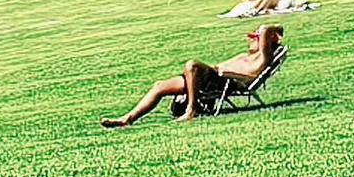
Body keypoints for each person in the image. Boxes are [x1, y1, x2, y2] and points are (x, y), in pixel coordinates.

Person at [100, 25, 284, 128]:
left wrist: (276, 29)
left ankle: (192, 109)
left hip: (227, 81)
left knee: (192, 65)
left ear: (266, 42)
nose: (250, 40)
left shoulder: (262, 58)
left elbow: (268, 30)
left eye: (255, 37)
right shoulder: (243, 57)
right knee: (159, 86)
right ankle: (127, 119)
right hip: (212, 78)